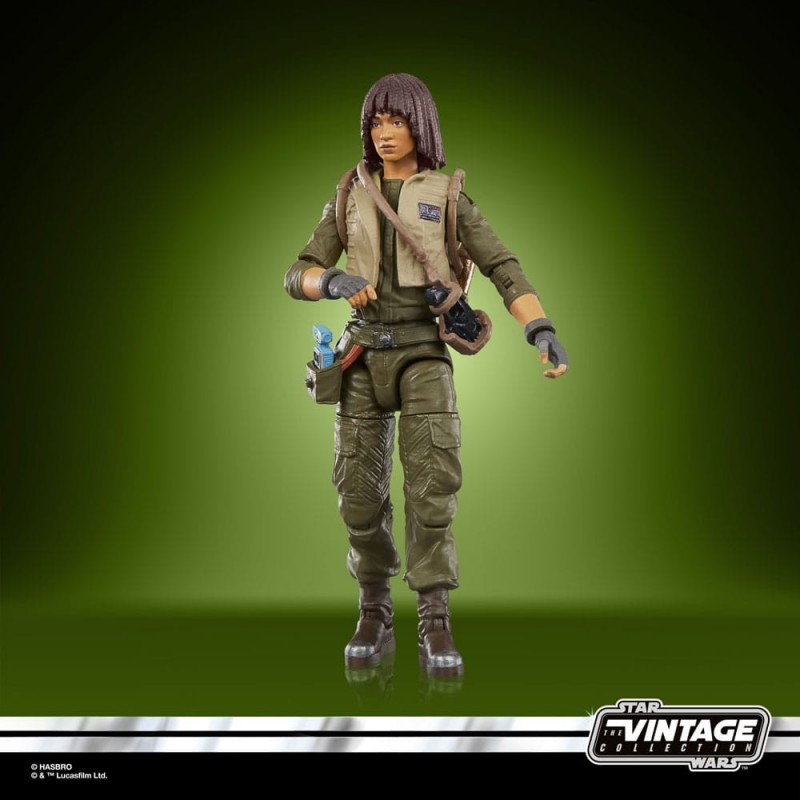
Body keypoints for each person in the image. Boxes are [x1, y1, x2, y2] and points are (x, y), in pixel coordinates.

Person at [284, 73, 568, 677]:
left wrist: (539, 328)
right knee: (357, 493)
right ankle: (374, 608)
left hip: (423, 350)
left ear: (421, 125)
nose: (385, 133)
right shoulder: (348, 192)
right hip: (361, 353)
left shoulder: (449, 194)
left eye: (397, 120)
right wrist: (330, 280)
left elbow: (501, 264)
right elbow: (298, 271)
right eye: (375, 122)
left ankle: (435, 616)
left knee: (432, 491)